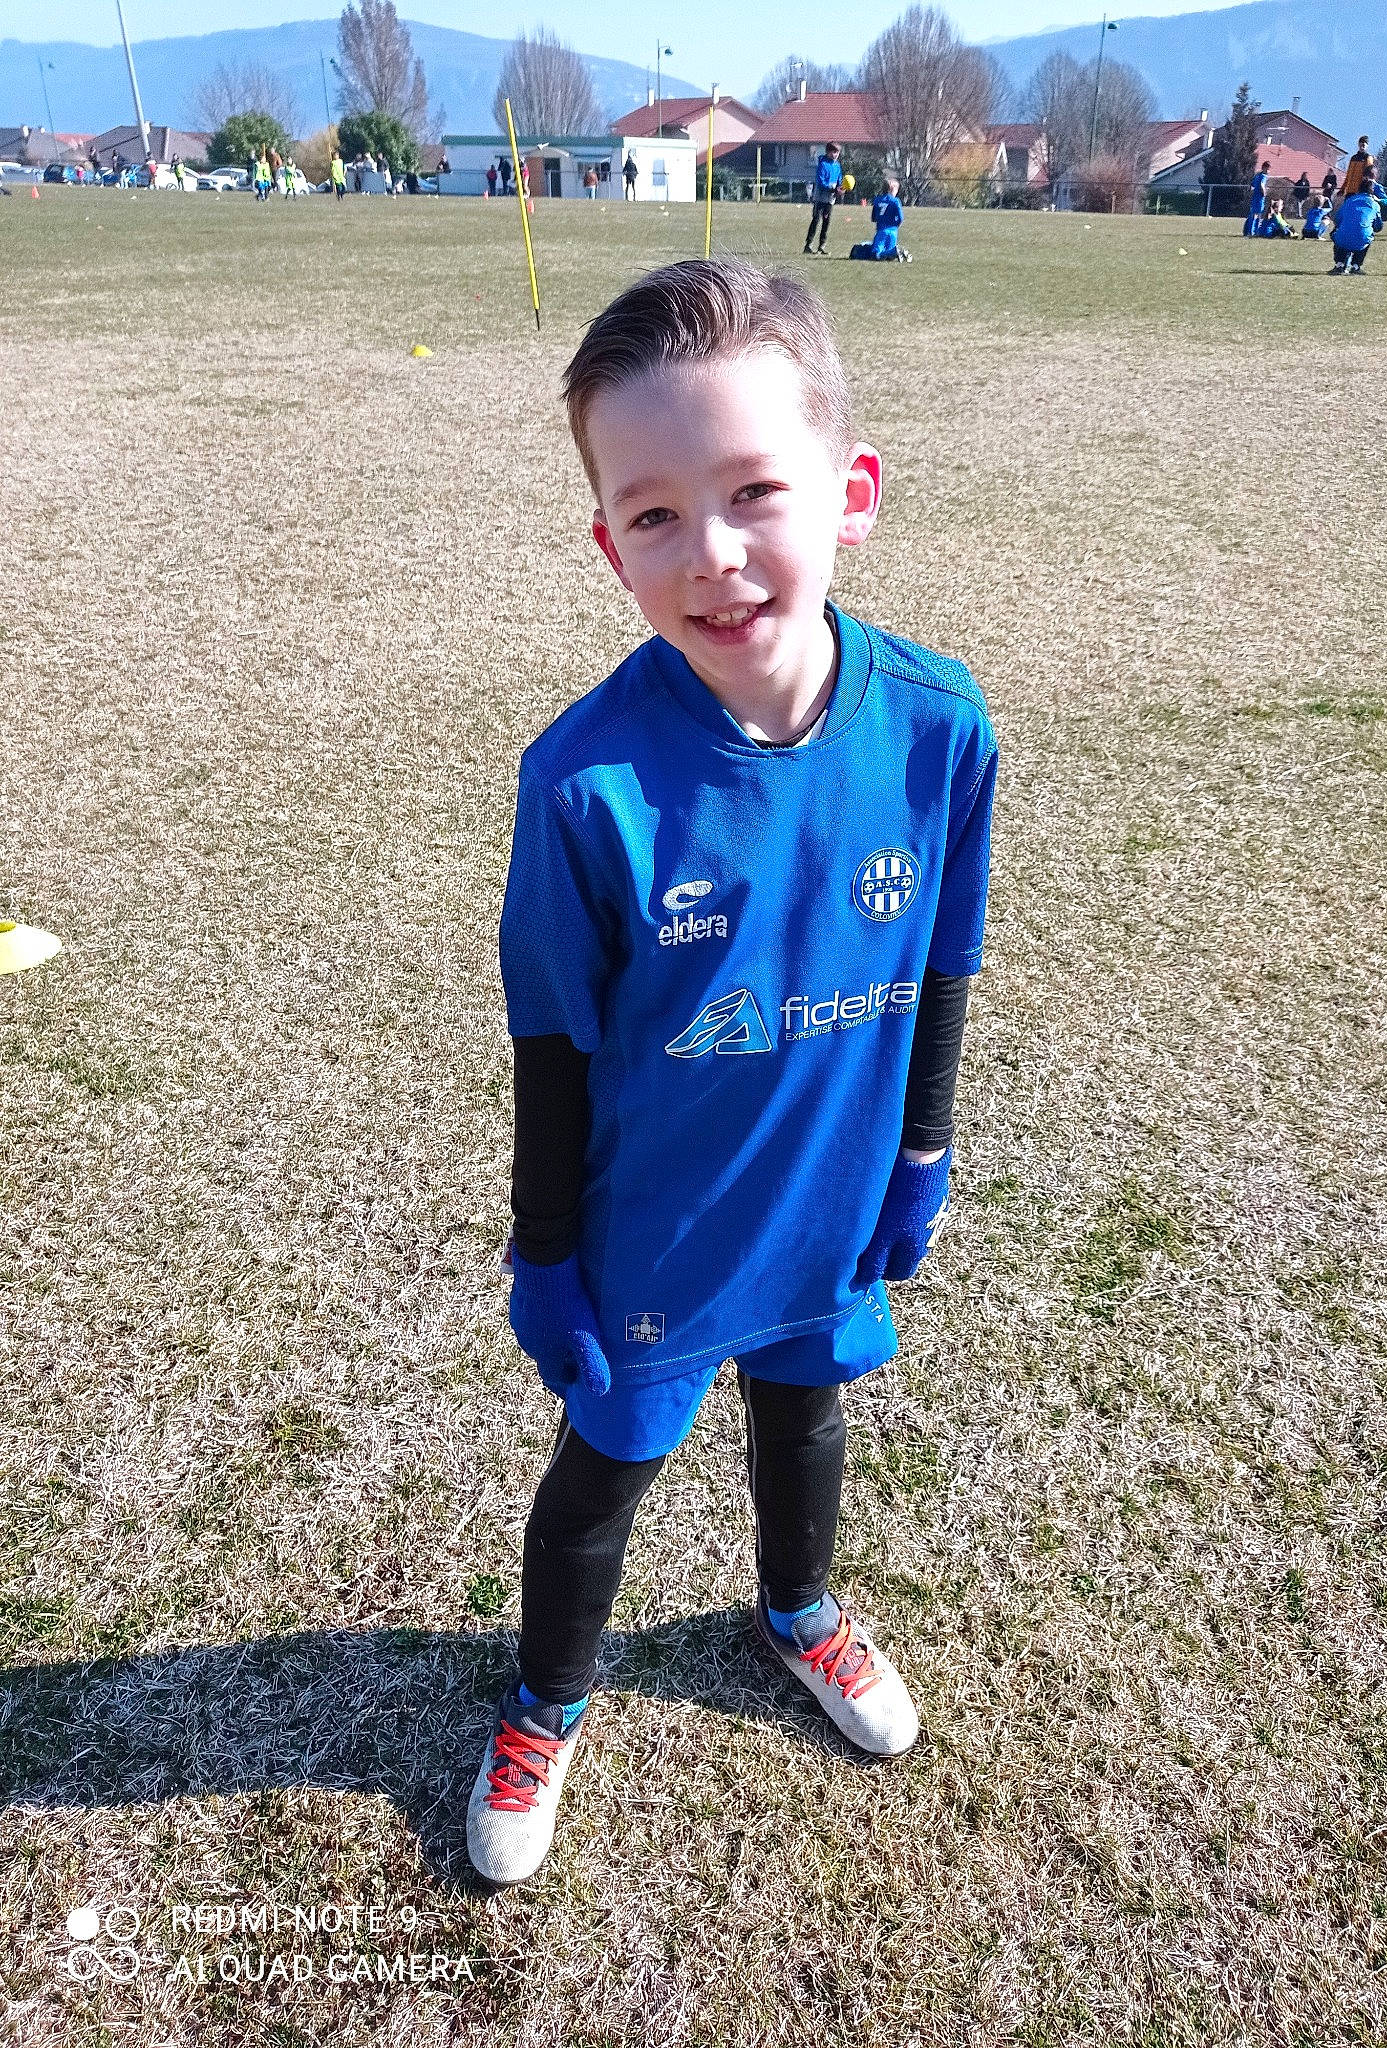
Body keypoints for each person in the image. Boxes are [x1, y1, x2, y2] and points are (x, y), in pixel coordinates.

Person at [465, 257, 997, 1887]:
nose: (712, 554)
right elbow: (550, 1040)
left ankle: (799, 1611)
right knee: (601, 1479)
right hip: (656, 1239)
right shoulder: (585, 785)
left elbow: (946, 959)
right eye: (653, 514)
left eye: (754, 492)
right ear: (605, 541)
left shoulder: (938, 727)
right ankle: (547, 1696)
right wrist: (545, 1247)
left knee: (806, 1412)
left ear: (851, 493)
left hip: (830, 1204)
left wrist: (918, 1151)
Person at [1331, 174, 1383, 273]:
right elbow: (1378, 226)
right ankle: (1356, 266)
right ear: (1372, 191)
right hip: (1362, 240)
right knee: (1367, 236)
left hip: (1343, 238)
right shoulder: (1375, 205)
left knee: (1338, 234)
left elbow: (1337, 219)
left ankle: (1339, 264)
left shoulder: (1349, 201)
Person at [849, 177, 907, 260]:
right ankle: (895, 252)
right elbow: (901, 218)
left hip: (882, 231)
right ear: (892, 189)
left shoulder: (877, 200)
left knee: (875, 254)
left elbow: (873, 218)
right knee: (887, 257)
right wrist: (896, 226)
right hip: (894, 232)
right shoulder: (895, 201)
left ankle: (895, 251)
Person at [803, 142, 842, 254]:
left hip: (830, 198)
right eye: (833, 152)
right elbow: (821, 181)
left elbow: (839, 178)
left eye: (837, 152)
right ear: (827, 152)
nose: (835, 155)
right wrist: (832, 189)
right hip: (820, 197)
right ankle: (808, 245)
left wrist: (841, 187)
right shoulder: (823, 164)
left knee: (826, 220)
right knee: (816, 219)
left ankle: (822, 246)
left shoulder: (837, 165)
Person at [1339, 136, 1373, 201]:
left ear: (1367, 146)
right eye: (1361, 143)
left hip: (1359, 191)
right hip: (1349, 190)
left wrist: (1366, 189)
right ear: (1358, 144)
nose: (1362, 146)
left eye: (1364, 144)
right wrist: (1343, 188)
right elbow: (1348, 175)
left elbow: (1369, 174)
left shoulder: (1368, 158)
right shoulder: (1353, 158)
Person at [1244, 160, 1270, 236]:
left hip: (1254, 197)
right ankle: (1255, 232)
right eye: (1268, 169)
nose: (1269, 171)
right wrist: (1264, 192)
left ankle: (1249, 231)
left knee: (1252, 215)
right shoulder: (1263, 176)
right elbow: (1262, 185)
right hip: (1259, 198)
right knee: (1258, 215)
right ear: (1264, 168)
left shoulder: (1257, 175)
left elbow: (1252, 185)